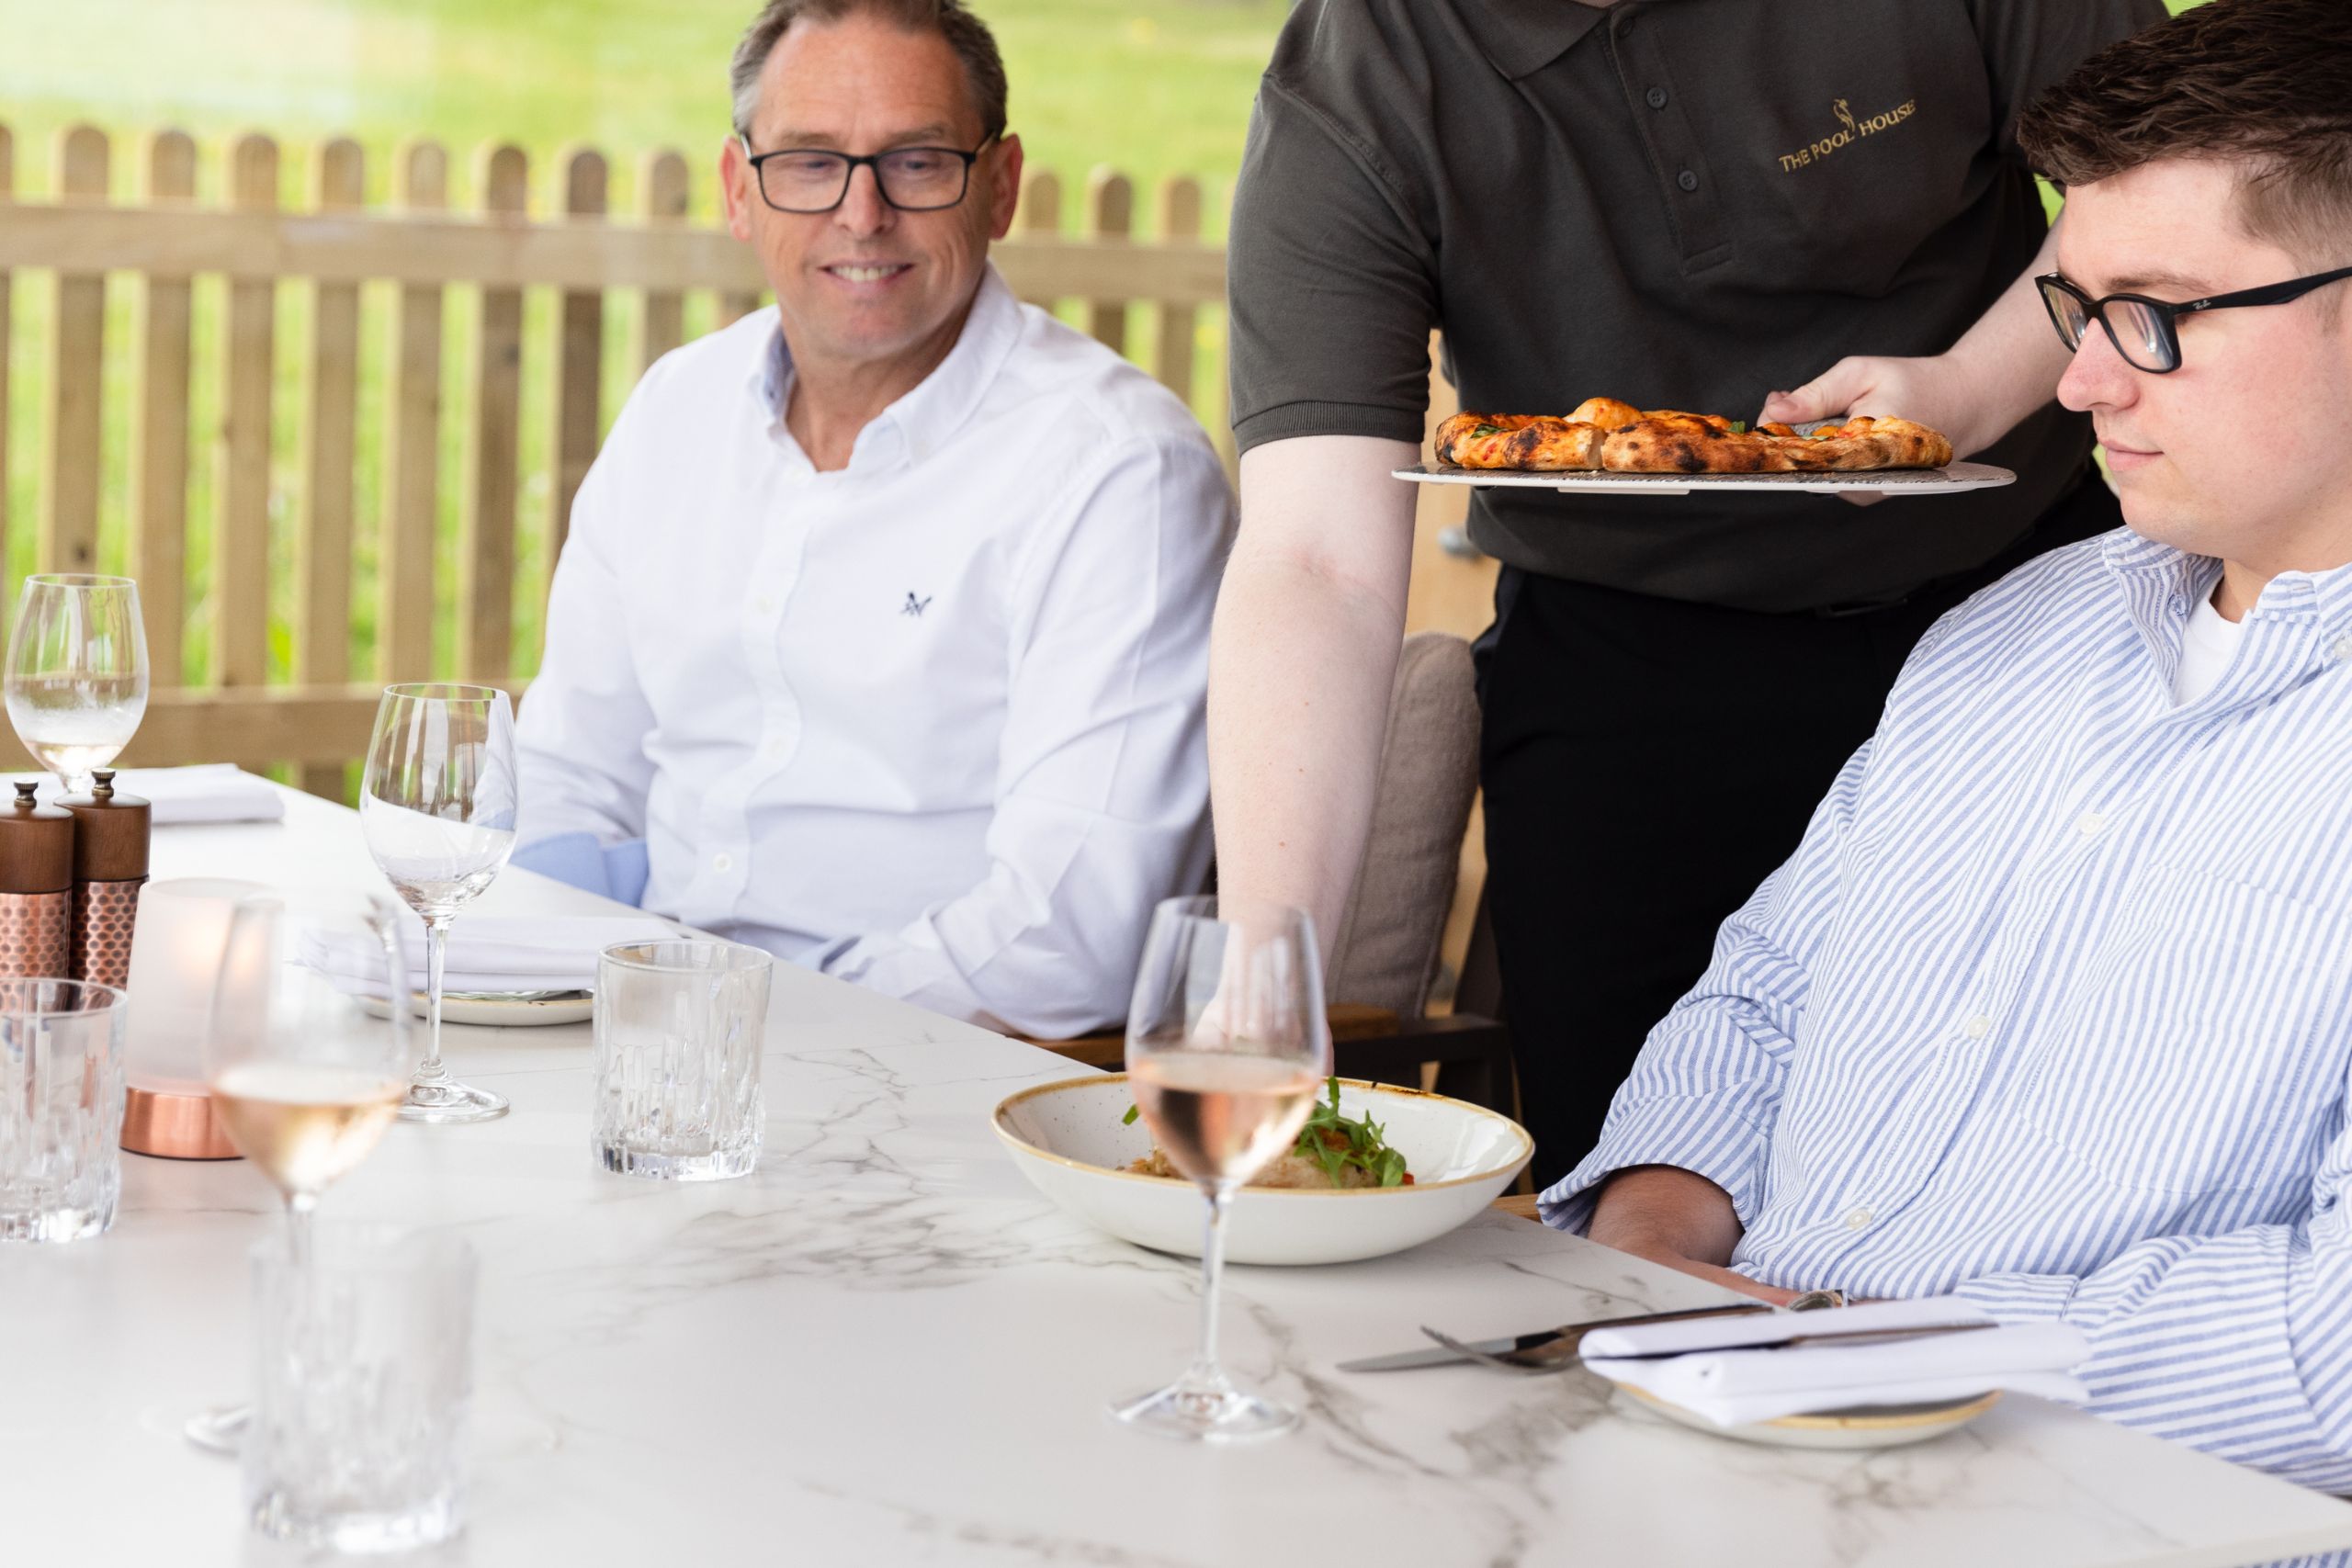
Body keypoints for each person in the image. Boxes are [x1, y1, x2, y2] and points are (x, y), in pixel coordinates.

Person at [1547, 0, 2352, 1488]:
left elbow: (2331, 1355)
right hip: (1711, 1444)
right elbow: (1771, 993)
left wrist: (1852, 1344)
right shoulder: (2009, 639)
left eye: (2157, 315)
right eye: (2079, 309)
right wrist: (1654, 1247)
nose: (2080, 385)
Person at [1211, 0, 2164, 1186]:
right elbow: (1314, 561)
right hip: (1625, 690)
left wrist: (1967, 390)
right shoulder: (1356, 89)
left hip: (2030, 615)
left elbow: (2172, 175)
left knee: (2043, 1158)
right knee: (1634, 1205)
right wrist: (1259, 1005)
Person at [512, 0, 1232, 1037]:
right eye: (808, 162)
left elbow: (1070, 936)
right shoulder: (678, 408)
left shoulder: (1119, 472)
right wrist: (536, 975)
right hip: (632, 1038)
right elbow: (570, 778)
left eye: (917, 161)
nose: (861, 215)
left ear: (1000, 187)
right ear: (737, 190)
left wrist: (731, 1025)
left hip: (923, 1084)